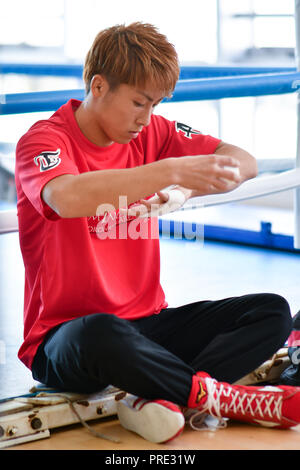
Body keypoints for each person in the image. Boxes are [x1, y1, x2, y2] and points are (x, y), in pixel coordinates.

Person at [15, 22, 299, 444]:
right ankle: (217, 396)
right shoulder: (43, 141)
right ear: (98, 85)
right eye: (138, 102)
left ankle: (155, 395)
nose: (146, 118)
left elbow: (243, 162)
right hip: (65, 338)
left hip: (148, 325)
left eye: (156, 105)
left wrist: (183, 188)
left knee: (271, 311)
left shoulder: (155, 132)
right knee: (101, 332)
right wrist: (169, 170)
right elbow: (65, 197)